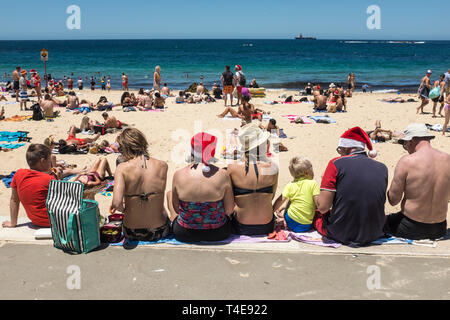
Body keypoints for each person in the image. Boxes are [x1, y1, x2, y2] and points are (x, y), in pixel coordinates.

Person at [315, 127, 388, 246]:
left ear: (346, 147)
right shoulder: (382, 168)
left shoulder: (336, 163)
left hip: (342, 233)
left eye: (340, 150)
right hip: (374, 232)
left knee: (316, 214)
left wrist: (321, 186)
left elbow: (323, 207)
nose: (339, 153)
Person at [385, 123, 449, 240]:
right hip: (440, 229)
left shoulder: (407, 162)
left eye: (404, 144)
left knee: (381, 220)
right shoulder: (447, 159)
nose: (406, 148)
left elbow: (393, 200)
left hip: (410, 227)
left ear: (411, 141)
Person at [167, 132, 234, 242]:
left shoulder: (178, 175)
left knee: (169, 194)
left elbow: (176, 209)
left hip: (184, 233)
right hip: (218, 233)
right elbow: (229, 210)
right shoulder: (222, 174)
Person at [110, 128, 171, 242]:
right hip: (159, 230)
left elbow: (116, 203)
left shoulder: (122, 168)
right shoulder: (163, 165)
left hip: (132, 231)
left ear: (126, 147)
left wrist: (125, 210)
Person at [227, 124, 279, 235]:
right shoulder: (273, 167)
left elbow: (229, 202)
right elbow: (271, 197)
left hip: (241, 225)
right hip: (267, 225)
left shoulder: (232, 168)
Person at [2, 144, 56, 228]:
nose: (51, 163)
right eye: (50, 160)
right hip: (53, 221)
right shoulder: (49, 179)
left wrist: (13, 223)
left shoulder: (18, 174)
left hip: (35, 221)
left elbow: (14, 200)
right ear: (43, 161)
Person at [273, 156, 319, 232]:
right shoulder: (313, 184)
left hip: (290, 220)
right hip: (305, 225)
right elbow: (318, 203)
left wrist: (272, 211)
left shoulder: (290, 185)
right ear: (306, 172)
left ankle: (284, 219)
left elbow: (280, 199)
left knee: (292, 196)